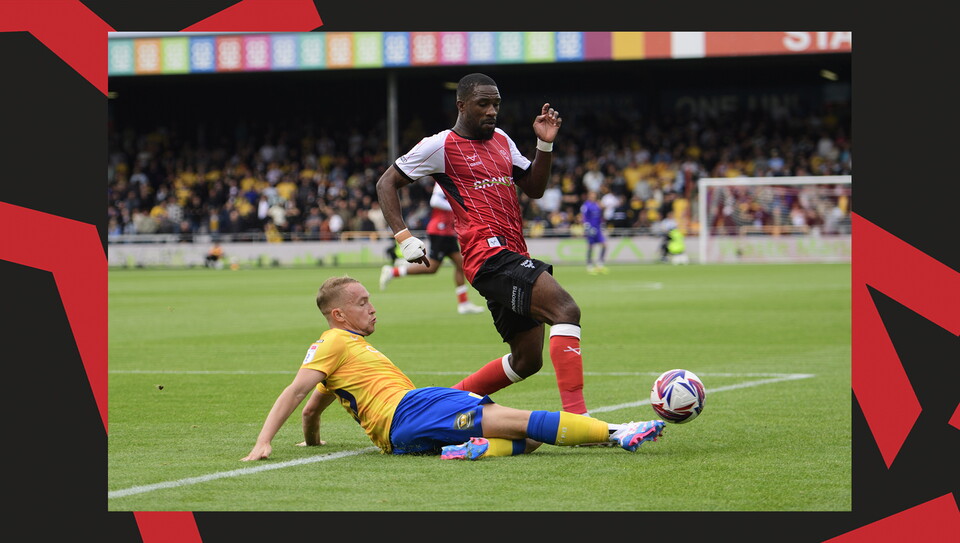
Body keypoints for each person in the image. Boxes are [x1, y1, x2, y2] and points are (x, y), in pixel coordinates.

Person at [240, 276, 666, 461]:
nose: (372, 307)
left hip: (402, 434)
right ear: (338, 315)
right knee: (518, 420)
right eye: (362, 302)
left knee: (530, 440)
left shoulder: (344, 356)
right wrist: (263, 441)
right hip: (409, 409)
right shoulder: (332, 343)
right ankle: (616, 433)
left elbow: (313, 409)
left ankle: (469, 448)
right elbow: (297, 392)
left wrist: (312, 442)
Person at [375, 72, 591, 415]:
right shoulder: (440, 145)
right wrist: (404, 236)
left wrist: (544, 145)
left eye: (496, 105)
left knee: (526, 360)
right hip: (486, 255)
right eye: (483, 104)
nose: (492, 111)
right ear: (461, 106)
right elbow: (386, 183)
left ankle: (438, 407)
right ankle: (580, 420)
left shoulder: (502, 139)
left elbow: (534, 187)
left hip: (513, 252)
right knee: (566, 310)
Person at [379, 179, 485, 315]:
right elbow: (434, 201)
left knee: (460, 265)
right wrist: (458, 205)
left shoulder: (454, 180)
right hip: (440, 230)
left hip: (447, 230)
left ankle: (464, 303)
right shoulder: (443, 180)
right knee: (435, 267)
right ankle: (393, 272)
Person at [579, 190, 608, 275]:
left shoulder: (597, 204)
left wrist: (603, 208)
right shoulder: (586, 205)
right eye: (592, 195)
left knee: (604, 245)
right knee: (590, 247)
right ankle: (589, 265)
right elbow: (583, 217)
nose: (593, 196)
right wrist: (586, 227)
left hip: (598, 228)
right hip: (590, 229)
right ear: (589, 196)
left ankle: (600, 264)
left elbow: (602, 214)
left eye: (594, 195)